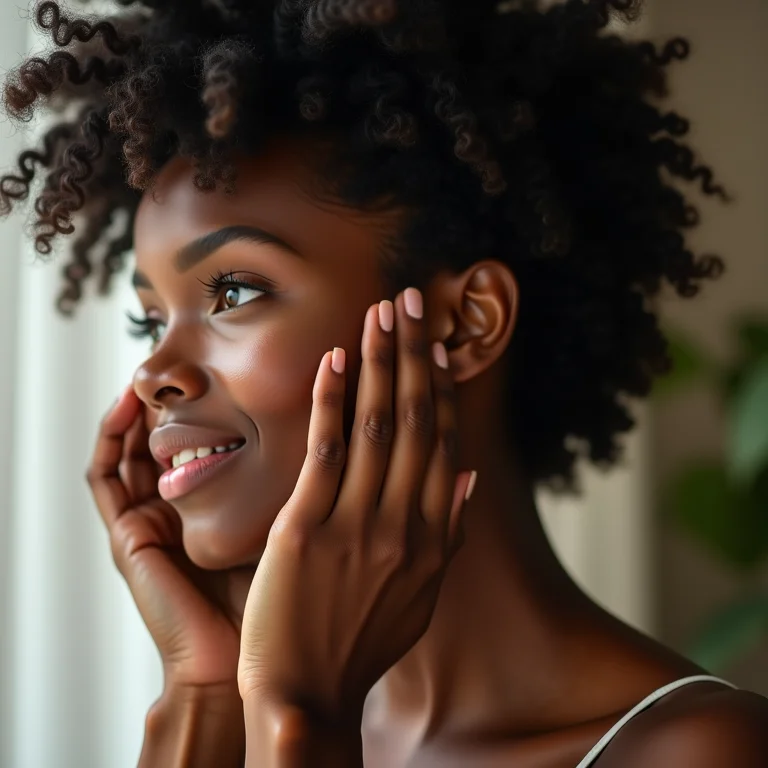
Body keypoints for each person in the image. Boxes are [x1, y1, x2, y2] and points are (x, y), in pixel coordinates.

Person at [2, 0, 767, 765]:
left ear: (466, 323)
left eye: (233, 292)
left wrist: (303, 726)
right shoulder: (245, 721)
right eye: (149, 321)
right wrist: (204, 693)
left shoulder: (700, 750)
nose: (152, 374)